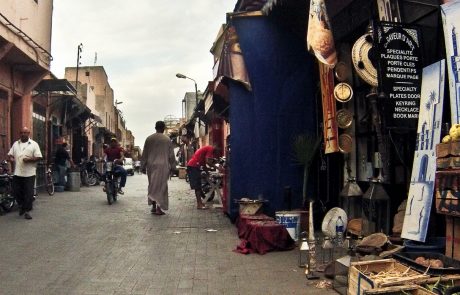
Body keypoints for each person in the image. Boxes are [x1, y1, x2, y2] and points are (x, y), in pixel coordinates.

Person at [7, 127, 42, 220]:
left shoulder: (34, 144)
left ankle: (27, 211)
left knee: (28, 193)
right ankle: (22, 205)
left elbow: (39, 157)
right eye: (21, 132)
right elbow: (10, 154)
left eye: (25, 132)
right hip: (18, 172)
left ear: (28, 133)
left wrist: (30, 159)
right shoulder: (16, 144)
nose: (23, 134)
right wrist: (11, 158)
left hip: (29, 173)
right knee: (16, 191)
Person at [141, 121, 175, 215]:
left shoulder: (149, 139)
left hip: (151, 165)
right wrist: (173, 167)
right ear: (163, 128)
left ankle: (153, 206)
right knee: (161, 187)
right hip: (163, 166)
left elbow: (145, 153)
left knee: (152, 185)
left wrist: (142, 166)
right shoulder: (167, 139)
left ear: (155, 127)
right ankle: (159, 209)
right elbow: (171, 155)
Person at [186, 145, 221, 209]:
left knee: (198, 185)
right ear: (216, 150)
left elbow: (204, 163)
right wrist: (217, 167)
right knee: (197, 186)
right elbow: (208, 161)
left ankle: (200, 203)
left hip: (193, 166)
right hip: (193, 166)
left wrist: (207, 173)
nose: (215, 155)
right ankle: (199, 205)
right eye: (216, 153)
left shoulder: (208, 149)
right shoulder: (211, 149)